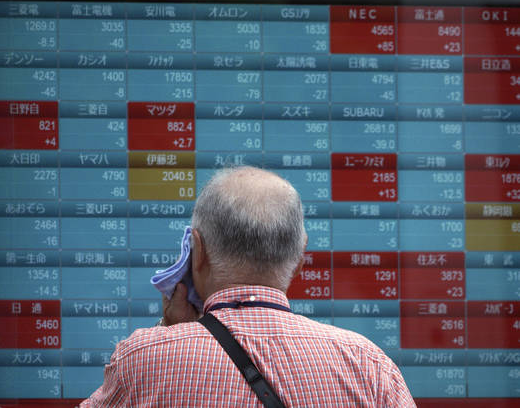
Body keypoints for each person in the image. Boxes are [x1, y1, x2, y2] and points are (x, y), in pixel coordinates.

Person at [80, 166, 416, 407]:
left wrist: (168, 330)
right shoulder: (368, 365)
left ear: (197, 252)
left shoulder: (142, 359)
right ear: (299, 259)